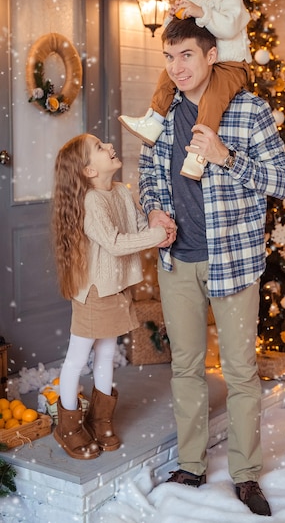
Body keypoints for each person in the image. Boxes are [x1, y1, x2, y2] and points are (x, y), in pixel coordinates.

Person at [138, 17, 285, 516]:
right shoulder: (161, 114)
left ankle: (246, 475)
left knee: (240, 372)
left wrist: (227, 157)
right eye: (169, 56)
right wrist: (153, 208)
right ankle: (192, 464)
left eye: (187, 55)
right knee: (185, 369)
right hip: (176, 259)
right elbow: (147, 173)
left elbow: (283, 180)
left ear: (210, 56)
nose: (177, 67)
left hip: (233, 259)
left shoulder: (249, 111)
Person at [51, 133, 175, 460]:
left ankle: (100, 419)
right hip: (94, 293)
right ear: (89, 171)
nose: (109, 147)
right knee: (78, 358)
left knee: (106, 354)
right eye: (100, 148)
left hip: (117, 288)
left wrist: (157, 227)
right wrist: (156, 236)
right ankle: (68, 426)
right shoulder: (91, 201)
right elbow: (116, 243)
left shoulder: (120, 191)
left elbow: (136, 229)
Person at [120, 0, 252, 181]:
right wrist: (173, 15)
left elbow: (228, 28)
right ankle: (154, 120)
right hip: (203, 63)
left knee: (212, 98)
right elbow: (179, 35)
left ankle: (199, 154)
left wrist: (200, 12)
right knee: (167, 76)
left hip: (230, 65)